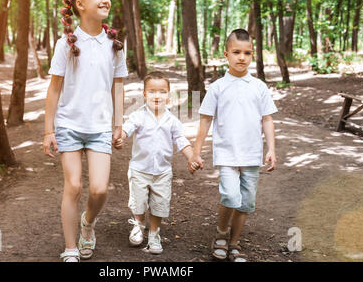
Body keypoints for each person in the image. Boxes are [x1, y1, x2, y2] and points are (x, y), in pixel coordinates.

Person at [42, 0, 127, 262]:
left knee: (100, 189)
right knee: (74, 185)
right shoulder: (66, 43)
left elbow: (118, 86)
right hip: (68, 125)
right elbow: (54, 89)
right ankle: (70, 248)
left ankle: (87, 223)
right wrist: (48, 130)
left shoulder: (115, 44)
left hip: (100, 127)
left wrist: (118, 125)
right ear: (80, 4)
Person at [190, 29, 277, 262]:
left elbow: (267, 119)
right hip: (227, 153)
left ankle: (235, 243)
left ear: (252, 55)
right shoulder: (218, 87)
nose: (242, 57)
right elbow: (205, 119)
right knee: (230, 196)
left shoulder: (258, 86)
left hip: (252, 154)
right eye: (236, 52)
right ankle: (220, 233)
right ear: (226, 54)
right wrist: (196, 152)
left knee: (246, 203)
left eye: (247, 53)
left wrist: (271, 149)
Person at [114, 71, 199, 254]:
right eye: (151, 91)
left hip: (162, 172)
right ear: (144, 94)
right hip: (139, 169)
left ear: (168, 95)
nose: (157, 96)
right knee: (138, 202)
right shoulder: (138, 116)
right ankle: (138, 224)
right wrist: (120, 137)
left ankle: (154, 233)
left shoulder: (173, 121)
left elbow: (181, 141)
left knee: (159, 204)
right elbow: (127, 129)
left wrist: (191, 156)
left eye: (162, 91)